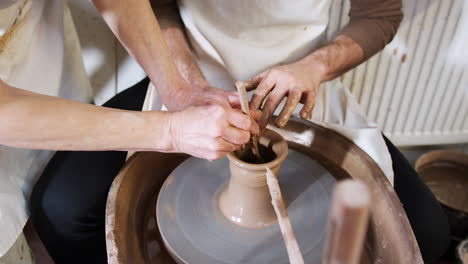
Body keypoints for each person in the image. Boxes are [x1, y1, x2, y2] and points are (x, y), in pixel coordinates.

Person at [28, 0, 450, 264]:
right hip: (191, 76)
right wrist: (185, 82)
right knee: (60, 207)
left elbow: (380, 14)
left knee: (428, 234)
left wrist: (315, 67)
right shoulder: (186, 79)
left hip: (298, 83)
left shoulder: (307, 71)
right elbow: (154, 6)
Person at [0, 0, 257, 262]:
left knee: (59, 196)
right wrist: (171, 131)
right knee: (52, 216)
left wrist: (176, 90)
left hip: (32, 43)